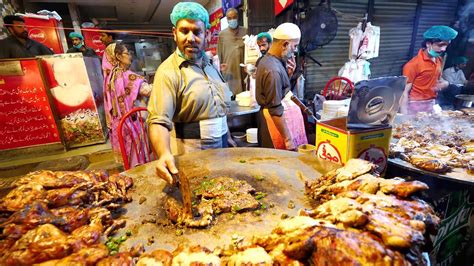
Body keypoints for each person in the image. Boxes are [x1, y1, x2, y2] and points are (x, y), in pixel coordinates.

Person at [147, 2, 234, 184]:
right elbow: (158, 121)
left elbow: (218, 108)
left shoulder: (209, 65)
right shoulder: (168, 72)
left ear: (207, 34)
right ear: (174, 33)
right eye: (184, 31)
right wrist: (163, 154)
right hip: (191, 153)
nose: (190, 38)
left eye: (197, 32)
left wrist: (229, 137)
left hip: (223, 147)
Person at [255, 23, 308, 151]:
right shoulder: (273, 69)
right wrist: (288, 139)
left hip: (273, 119)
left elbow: (278, 90)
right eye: (294, 46)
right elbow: (275, 108)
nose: (295, 51)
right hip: (273, 123)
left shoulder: (271, 60)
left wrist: (289, 74)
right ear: (284, 44)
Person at [105, 43, 151, 165]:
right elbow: (147, 91)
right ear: (118, 57)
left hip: (119, 123)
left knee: (128, 157)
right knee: (138, 154)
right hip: (133, 122)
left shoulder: (110, 77)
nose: (130, 56)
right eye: (127, 53)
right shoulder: (128, 76)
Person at [401, 25, 458, 114]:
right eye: (440, 45)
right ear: (428, 44)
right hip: (415, 105)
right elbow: (404, 93)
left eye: (446, 45)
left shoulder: (439, 59)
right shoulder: (413, 65)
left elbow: (438, 79)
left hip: (431, 103)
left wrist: (445, 83)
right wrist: (404, 116)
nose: (443, 49)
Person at [218, 8, 248, 95]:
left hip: (243, 70)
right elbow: (219, 54)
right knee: (231, 95)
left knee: (244, 94)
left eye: (234, 17)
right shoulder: (222, 35)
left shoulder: (245, 31)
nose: (232, 20)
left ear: (238, 17)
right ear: (227, 19)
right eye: (229, 18)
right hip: (229, 71)